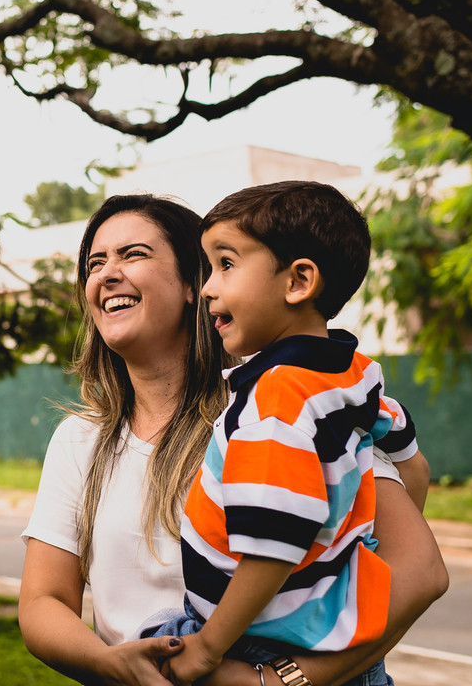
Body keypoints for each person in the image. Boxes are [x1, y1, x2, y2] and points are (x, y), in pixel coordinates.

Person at [18, 193, 448, 686]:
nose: (106, 273)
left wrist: (277, 680)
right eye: (95, 263)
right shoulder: (79, 441)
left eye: (133, 254)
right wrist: (109, 663)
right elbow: (42, 602)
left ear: (191, 284)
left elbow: (420, 575)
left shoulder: (284, 407)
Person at [140, 182, 430, 686]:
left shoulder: (276, 401)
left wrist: (208, 648)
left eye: (226, 264)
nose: (208, 286)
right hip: (320, 634)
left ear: (298, 282)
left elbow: (273, 542)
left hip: (255, 642)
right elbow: (414, 464)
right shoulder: (352, 374)